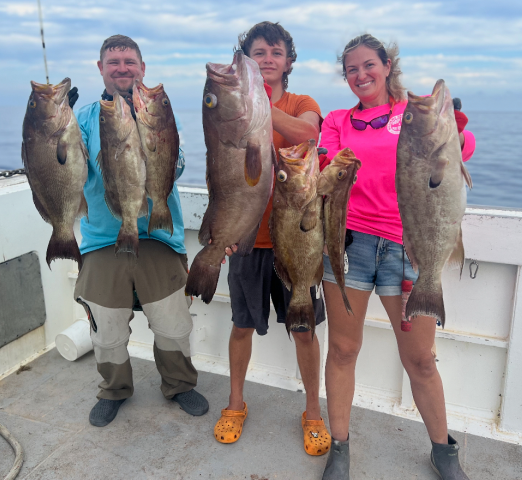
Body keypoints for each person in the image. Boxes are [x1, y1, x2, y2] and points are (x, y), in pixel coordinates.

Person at [317, 34, 475, 480]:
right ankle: (341, 448)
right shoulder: (335, 121)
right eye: (352, 69)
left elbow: (464, 150)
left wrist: (458, 128)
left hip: (409, 248)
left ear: (387, 66)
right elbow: (325, 163)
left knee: (420, 359)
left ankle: (443, 451)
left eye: (369, 65)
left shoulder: (416, 114)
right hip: (349, 246)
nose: (361, 75)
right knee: (344, 349)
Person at [73, 34, 209, 427]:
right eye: (113, 62)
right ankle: (113, 389)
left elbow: (177, 166)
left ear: (142, 68)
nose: (122, 68)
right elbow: (73, 170)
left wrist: (146, 130)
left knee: (173, 322)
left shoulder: (159, 109)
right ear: (101, 69)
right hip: (102, 239)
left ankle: (180, 384)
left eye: (129, 61)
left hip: (158, 233)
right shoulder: (83, 118)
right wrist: (58, 135)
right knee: (107, 329)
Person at [214, 22, 331, 457]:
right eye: (258, 52)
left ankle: (313, 412)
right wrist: (224, 228)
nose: (267, 59)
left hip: (294, 241)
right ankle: (235, 403)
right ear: (245, 59)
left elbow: (308, 134)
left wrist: (256, 106)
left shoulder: (301, 103)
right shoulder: (230, 104)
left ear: (288, 61)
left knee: (303, 330)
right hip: (246, 239)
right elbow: (221, 169)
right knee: (241, 325)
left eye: (275, 52)